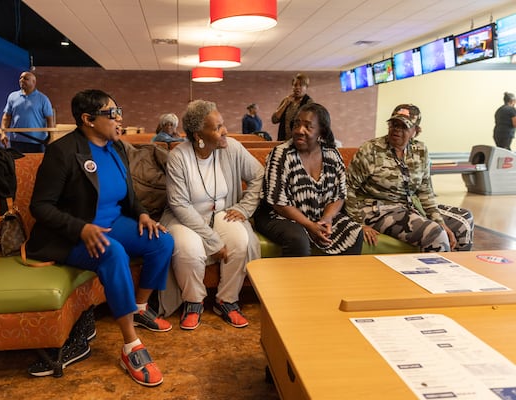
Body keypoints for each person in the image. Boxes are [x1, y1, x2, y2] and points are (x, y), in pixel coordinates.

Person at [25, 89, 174, 387]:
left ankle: (140, 308)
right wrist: (80, 228)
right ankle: (131, 346)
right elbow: (40, 206)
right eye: (112, 113)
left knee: (162, 241)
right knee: (114, 253)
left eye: (118, 111)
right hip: (73, 233)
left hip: (112, 222)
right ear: (88, 119)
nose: (118, 118)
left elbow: (129, 196)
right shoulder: (63, 152)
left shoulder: (116, 147)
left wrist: (143, 214)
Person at [158, 99, 264, 330]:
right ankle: (193, 301)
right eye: (217, 128)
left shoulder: (232, 148)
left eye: (222, 124)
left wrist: (244, 208)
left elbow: (259, 175)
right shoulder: (179, 157)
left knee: (240, 240)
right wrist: (213, 240)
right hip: (185, 217)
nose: (224, 130)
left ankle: (227, 300)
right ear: (198, 135)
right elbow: (179, 204)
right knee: (189, 248)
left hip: (222, 213)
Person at [345, 104, 474, 252]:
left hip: (408, 205)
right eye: (394, 124)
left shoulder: (420, 150)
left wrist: (438, 220)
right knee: (435, 233)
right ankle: (435, 274)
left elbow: (425, 191)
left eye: (404, 126)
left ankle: (456, 271)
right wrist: (358, 223)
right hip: (375, 208)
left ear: (416, 131)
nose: (396, 130)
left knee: (464, 221)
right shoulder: (371, 149)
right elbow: (348, 187)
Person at [253, 103, 363, 257]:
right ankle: (296, 281)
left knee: (354, 232)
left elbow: (339, 195)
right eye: (297, 124)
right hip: (278, 215)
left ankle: (335, 279)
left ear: (321, 132)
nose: (299, 131)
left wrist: (327, 219)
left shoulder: (332, 154)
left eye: (308, 126)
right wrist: (310, 225)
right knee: (297, 239)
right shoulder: (281, 154)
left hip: (318, 214)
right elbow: (279, 203)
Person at [0, 71, 55, 153]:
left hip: (37, 142)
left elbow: (50, 119)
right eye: (20, 78)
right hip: (16, 141)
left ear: (34, 82)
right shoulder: (12, 96)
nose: (22, 80)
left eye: (25, 78)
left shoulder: (43, 99)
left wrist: (51, 137)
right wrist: (3, 133)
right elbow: (6, 117)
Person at [271, 73, 313, 141]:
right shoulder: (286, 100)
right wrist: (285, 104)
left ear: (306, 87)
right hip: (283, 141)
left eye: (301, 85)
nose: (297, 87)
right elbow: (274, 120)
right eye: (295, 85)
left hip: (300, 141)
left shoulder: (309, 103)